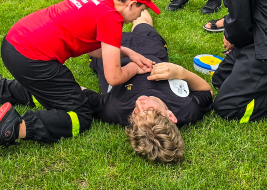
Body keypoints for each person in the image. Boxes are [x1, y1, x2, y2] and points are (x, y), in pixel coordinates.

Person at [0, 0, 159, 161]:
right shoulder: (112, 18)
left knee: (52, 91)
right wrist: (133, 67)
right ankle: (15, 127)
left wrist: (128, 52)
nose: (141, 14)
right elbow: (113, 77)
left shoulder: (99, 0)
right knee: (81, 115)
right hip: (32, 58)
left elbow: (93, 48)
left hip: (14, 43)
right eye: (143, 9)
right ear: (131, 4)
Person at [85, 9, 213, 163]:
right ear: (171, 116)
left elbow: (80, 93)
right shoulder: (187, 108)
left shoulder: (116, 108)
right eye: (149, 110)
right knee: (142, 22)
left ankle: (84, 6)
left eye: (135, 115)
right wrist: (181, 72)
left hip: (111, 52)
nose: (139, 104)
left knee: (94, 27)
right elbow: (207, 91)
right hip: (151, 50)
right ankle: (139, 3)